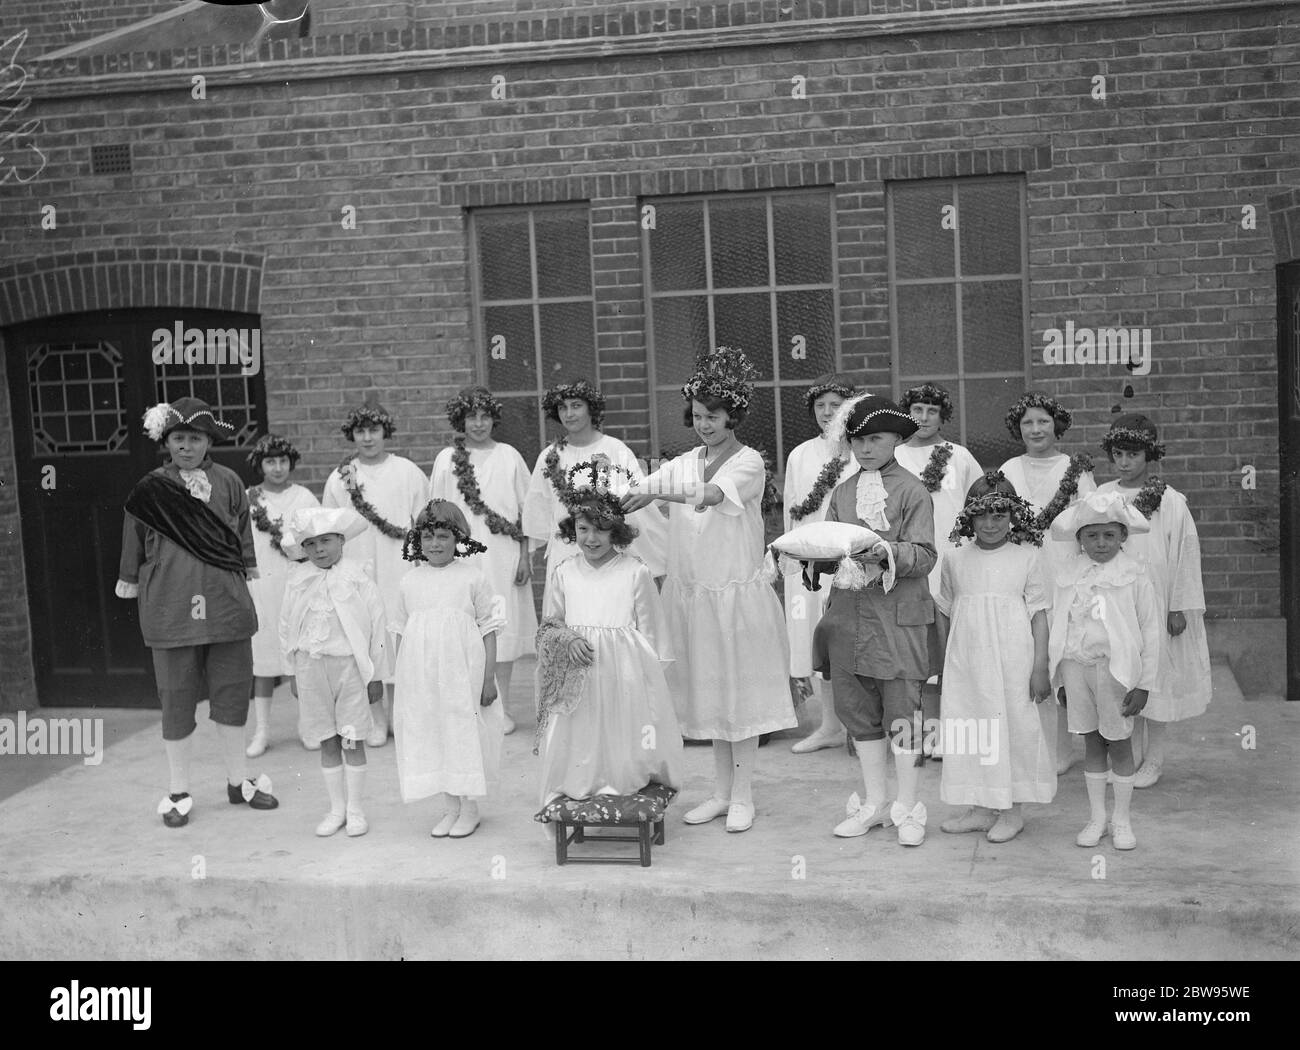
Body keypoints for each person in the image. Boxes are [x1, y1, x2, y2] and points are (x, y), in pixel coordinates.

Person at [623, 347, 795, 833]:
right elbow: (638, 486)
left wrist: (658, 491)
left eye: (714, 416)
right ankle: (720, 794)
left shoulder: (750, 463)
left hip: (735, 598)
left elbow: (714, 495)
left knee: (739, 700)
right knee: (712, 699)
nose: (705, 424)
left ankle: (743, 796)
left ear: (733, 415)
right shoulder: (681, 462)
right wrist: (604, 493)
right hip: (695, 599)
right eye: (698, 416)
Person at [115, 397, 278, 828]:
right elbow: (133, 539)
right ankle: (178, 788)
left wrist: (246, 567)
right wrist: (129, 577)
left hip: (224, 600)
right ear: (166, 442)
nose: (186, 446)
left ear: (209, 441)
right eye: (178, 438)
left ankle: (237, 778)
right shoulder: (150, 486)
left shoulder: (228, 482)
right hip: (170, 603)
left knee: (231, 691)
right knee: (176, 697)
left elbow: (241, 531)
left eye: (195, 438)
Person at [813, 394, 937, 846]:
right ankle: (876, 802)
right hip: (849, 617)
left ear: (897, 440)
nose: (865, 449)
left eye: (876, 439)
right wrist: (811, 558)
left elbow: (924, 555)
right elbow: (829, 547)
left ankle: (907, 806)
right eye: (858, 440)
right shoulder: (842, 493)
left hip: (897, 618)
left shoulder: (911, 491)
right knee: (857, 708)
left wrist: (885, 553)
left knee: (902, 709)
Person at [535, 460, 683, 805]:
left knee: (620, 729)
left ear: (616, 531)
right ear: (573, 530)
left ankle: (621, 780)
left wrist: (641, 679)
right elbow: (550, 625)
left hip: (623, 672)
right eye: (583, 529)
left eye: (601, 530)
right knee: (582, 730)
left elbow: (652, 633)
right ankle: (580, 780)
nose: (591, 538)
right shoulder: (564, 572)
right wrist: (567, 639)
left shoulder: (635, 572)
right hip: (578, 670)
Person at [936, 472, 1054, 843]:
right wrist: (943, 664)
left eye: (1000, 515)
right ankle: (980, 806)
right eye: (982, 516)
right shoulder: (955, 558)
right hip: (967, 661)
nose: (990, 524)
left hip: (1012, 660)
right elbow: (944, 610)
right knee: (972, 728)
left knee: (1012, 727)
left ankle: (1011, 810)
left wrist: (1039, 667)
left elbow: (1039, 616)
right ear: (968, 518)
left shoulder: (1027, 557)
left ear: (1013, 516)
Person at [1096, 414, 1212, 787]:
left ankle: (1154, 758)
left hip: (1157, 598)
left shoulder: (1170, 500)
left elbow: (1184, 551)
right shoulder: (1102, 497)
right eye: (1118, 454)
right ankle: (1125, 756)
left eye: (1133, 454)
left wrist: (1178, 605)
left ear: (1150, 454)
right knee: (1123, 676)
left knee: (1155, 677)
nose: (1125, 462)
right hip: (1117, 600)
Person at [1048, 491, 1161, 850]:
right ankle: (1097, 817)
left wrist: (1143, 683)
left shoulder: (1134, 575)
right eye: (1091, 535)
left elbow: (1151, 631)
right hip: (1076, 667)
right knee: (1092, 742)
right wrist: (1060, 679)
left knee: (1119, 742)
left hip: (1116, 672)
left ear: (1123, 537)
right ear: (1079, 538)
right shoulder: (1069, 573)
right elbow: (1059, 624)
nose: (1100, 543)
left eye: (1109, 535)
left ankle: (1122, 819)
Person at [391, 500, 503, 839]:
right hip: (424, 677)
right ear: (417, 541)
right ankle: (450, 806)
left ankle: (470, 808)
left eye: (443, 536)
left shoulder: (472, 577)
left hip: (462, 673)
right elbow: (400, 633)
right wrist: (404, 682)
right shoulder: (410, 582)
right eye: (427, 537)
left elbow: (489, 630)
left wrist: (487, 679)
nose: (435, 544)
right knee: (435, 733)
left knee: (462, 732)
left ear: (458, 539)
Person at [430, 386, 537, 736]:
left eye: (485, 416)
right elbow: (436, 512)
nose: (478, 423)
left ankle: (500, 705)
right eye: (471, 416)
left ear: (494, 419)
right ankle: (465, 708)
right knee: (462, 627)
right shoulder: (447, 459)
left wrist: (524, 555)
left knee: (499, 627)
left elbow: (527, 510)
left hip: (502, 555)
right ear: (460, 419)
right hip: (460, 554)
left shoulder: (509, 456)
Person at [322, 396, 429, 747]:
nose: (367, 438)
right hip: (358, 568)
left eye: (374, 430)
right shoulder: (341, 478)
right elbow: (330, 527)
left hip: (399, 564)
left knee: (398, 636)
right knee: (366, 637)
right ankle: (376, 715)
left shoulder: (408, 472)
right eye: (360, 431)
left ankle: (401, 713)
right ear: (352, 435)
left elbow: (424, 521)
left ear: (386, 432)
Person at [999, 391, 1097, 774]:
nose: (1036, 429)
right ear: (1018, 429)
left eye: (1043, 421)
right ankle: (1037, 745)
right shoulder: (1009, 468)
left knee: (1066, 660)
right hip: (1024, 572)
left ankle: (1066, 747)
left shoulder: (1075, 469)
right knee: (1032, 657)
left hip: (1065, 572)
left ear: (1056, 425)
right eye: (1028, 423)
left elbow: (1091, 521)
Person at [279, 507, 387, 837]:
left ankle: (355, 809)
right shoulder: (298, 580)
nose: (319, 550)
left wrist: (376, 674)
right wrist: (292, 672)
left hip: (349, 668)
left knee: (352, 739)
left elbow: (377, 627)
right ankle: (336, 808)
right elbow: (287, 626)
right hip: (311, 667)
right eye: (310, 544)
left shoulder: (358, 577)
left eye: (326, 541)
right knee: (327, 739)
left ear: (341, 540)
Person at [522, 379, 667, 607]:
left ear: (591, 408)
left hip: (608, 550)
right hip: (566, 551)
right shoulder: (549, 457)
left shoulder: (615, 450)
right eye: (562, 408)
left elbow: (638, 501)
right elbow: (537, 511)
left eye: (576, 405)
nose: (569, 414)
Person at [895, 383, 984, 752]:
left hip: (950, 561)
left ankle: (951, 732)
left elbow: (977, 502)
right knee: (917, 654)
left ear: (943, 416)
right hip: (910, 565)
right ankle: (922, 732)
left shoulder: (957, 456)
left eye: (933, 411)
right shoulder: (894, 455)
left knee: (950, 649)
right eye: (917, 409)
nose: (924, 417)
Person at [783, 373, 858, 754]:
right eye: (820, 405)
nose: (828, 413)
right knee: (820, 639)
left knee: (853, 639)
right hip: (812, 562)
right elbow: (792, 513)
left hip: (850, 560)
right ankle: (829, 724)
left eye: (835, 405)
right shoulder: (800, 454)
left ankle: (860, 728)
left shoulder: (861, 448)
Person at [244, 433, 320, 756]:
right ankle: (262, 730)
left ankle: (307, 723)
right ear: (260, 465)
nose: (277, 468)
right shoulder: (249, 498)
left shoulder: (303, 497)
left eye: (283, 461)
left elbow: (317, 538)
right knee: (262, 657)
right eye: (270, 462)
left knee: (299, 656)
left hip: (295, 583)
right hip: (261, 583)